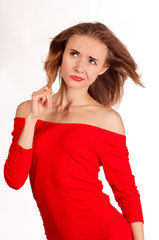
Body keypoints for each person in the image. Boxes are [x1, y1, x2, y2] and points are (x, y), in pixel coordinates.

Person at [4, 22, 145, 240]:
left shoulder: (106, 120)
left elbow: (126, 192)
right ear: (62, 54)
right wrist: (32, 119)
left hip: (107, 233)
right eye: (74, 54)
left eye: (92, 61)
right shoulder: (28, 111)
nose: (80, 67)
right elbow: (14, 180)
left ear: (103, 68)